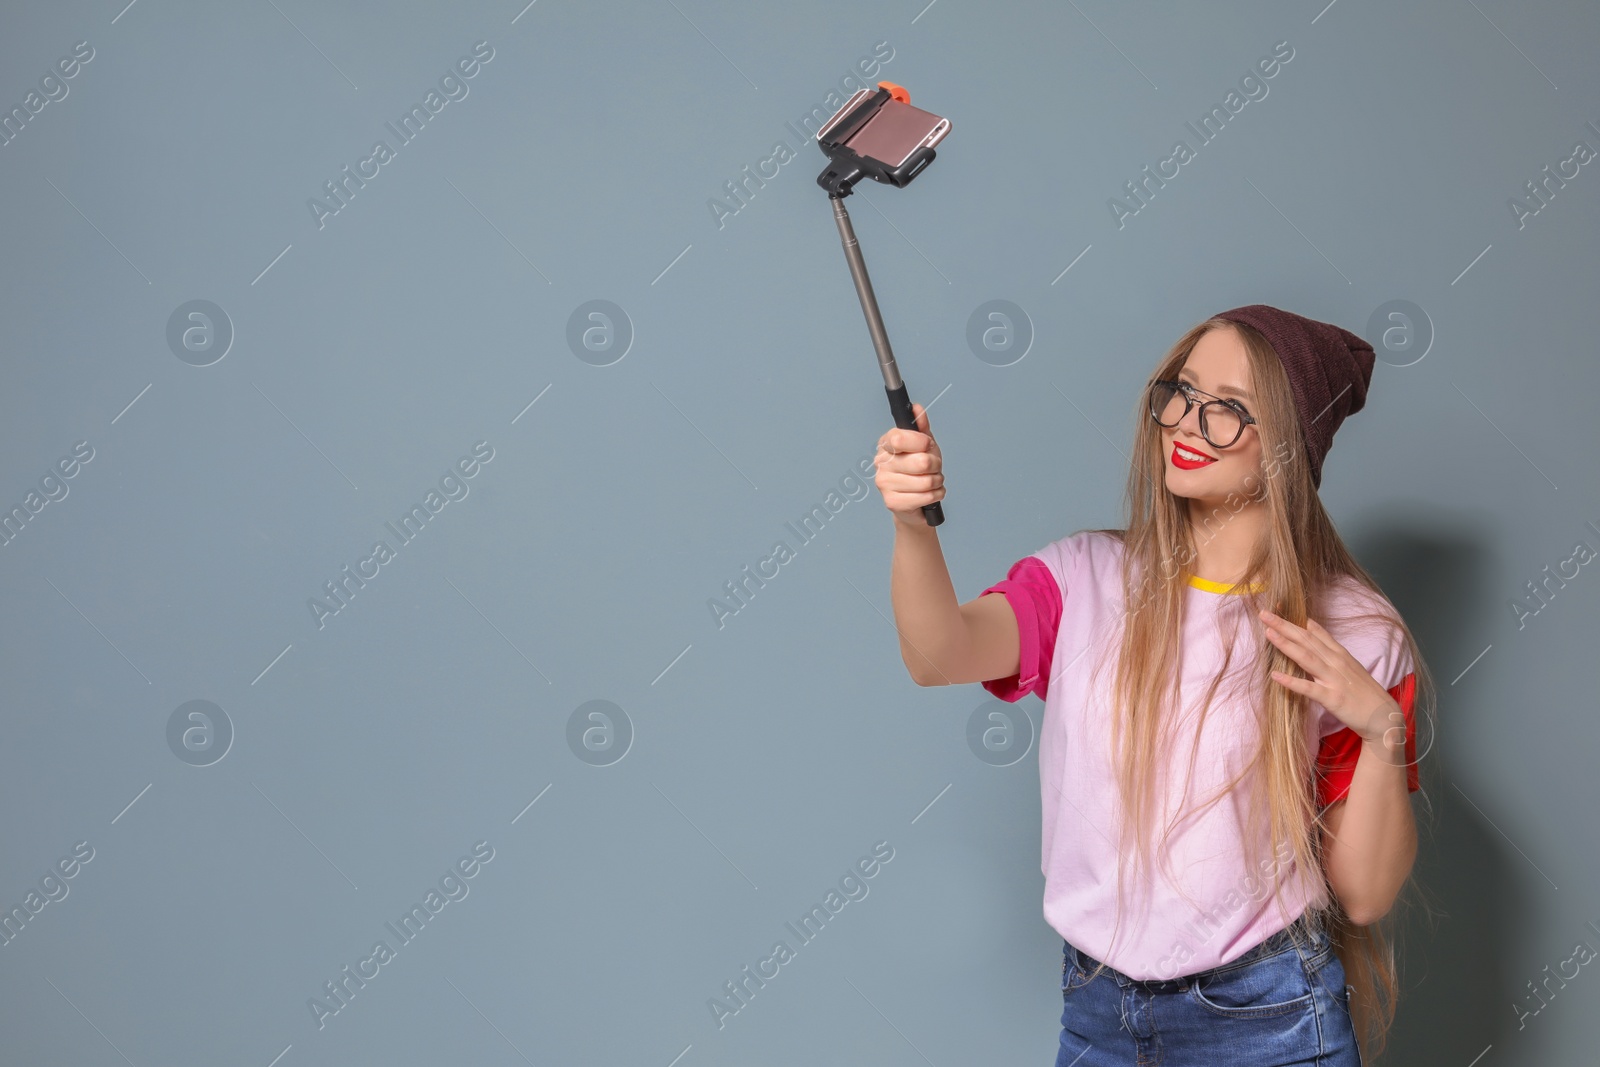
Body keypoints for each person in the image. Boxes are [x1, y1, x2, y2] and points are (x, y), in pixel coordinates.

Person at [874, 305, 1433, 1066]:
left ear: (1293, 446)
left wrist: (1381, 732)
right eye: (1183, 391)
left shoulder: (1359, 632)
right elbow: (937, 654)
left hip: (1269, 1018)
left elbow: (1364, 896)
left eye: (1231, 409)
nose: (1190, 423)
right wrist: (913, 524)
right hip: (1100, 1010)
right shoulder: (1082, 579)